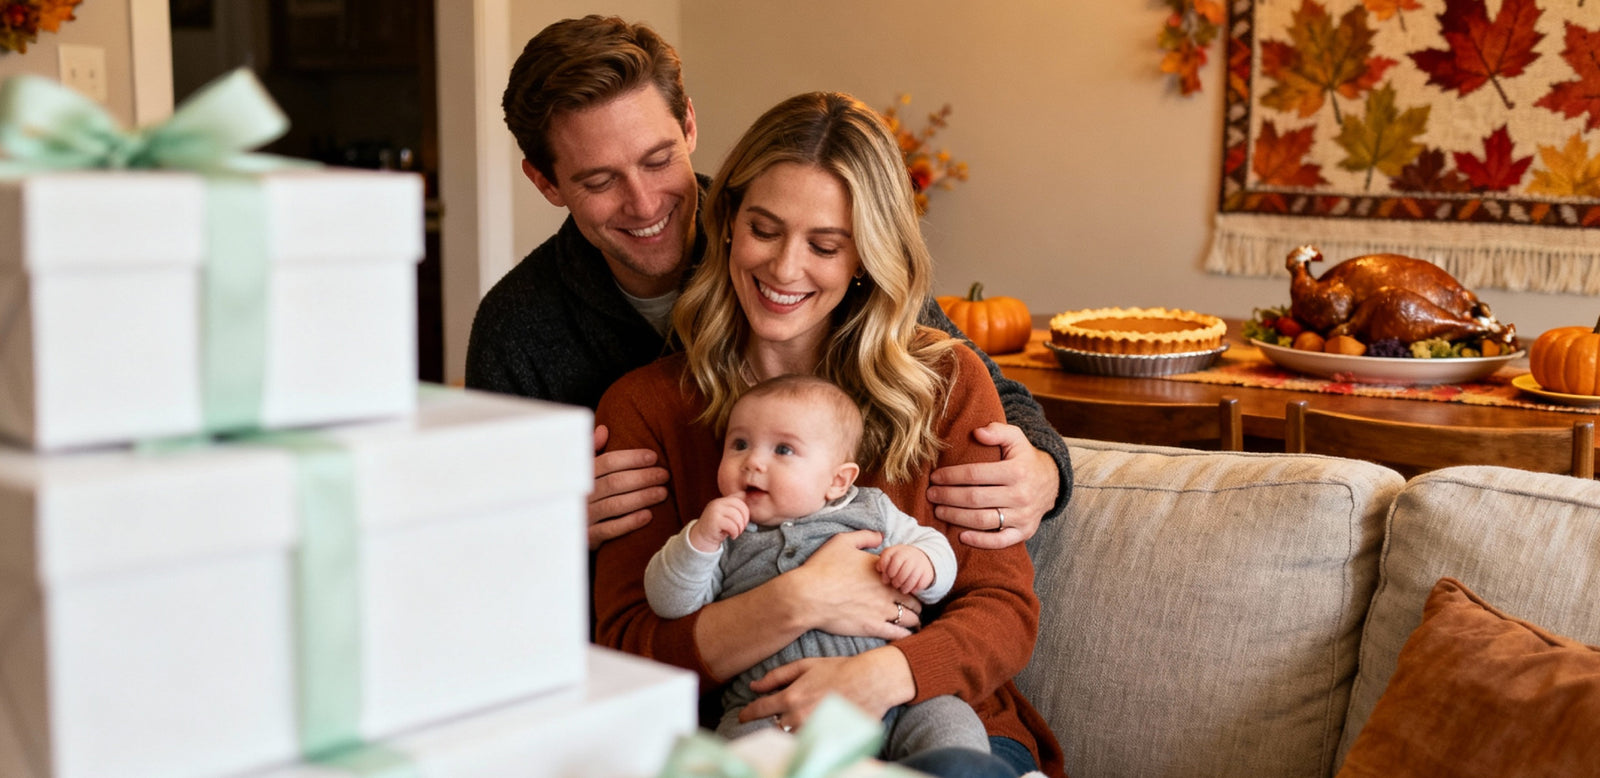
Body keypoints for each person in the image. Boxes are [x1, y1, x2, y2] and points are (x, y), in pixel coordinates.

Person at [466, 15, 1072, 554]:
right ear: (546, 183)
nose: (645, 204)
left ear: (689, 124)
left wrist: (1045, 472)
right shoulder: (516, 328)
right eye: (600, 181)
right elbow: (480, 534)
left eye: (658, 160)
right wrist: (544, 524)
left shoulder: (775, 228)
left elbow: (973, 384)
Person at [593, 91, 1064, 778]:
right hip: (761, 736)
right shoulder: (647, 407)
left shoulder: (945, 383)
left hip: (942, 725)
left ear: (865, 257)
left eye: (824, 246)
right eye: (764, 229)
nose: (785, 269)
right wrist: (799, 599)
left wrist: (877, 677)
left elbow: (1002, 609)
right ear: (728, 224)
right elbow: (629, 647)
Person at [644, 374, 990, 759]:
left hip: (892, 702)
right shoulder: (722, 534)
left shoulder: (870, 510)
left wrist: (922, 563)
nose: (753, 461)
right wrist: (699, 543)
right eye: (739, 444)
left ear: (838, 480)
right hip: (773, 707)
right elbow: (669, 603)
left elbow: (936, 548)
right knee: (741, 754)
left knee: (950, 721)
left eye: (784, 449)